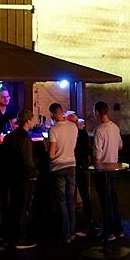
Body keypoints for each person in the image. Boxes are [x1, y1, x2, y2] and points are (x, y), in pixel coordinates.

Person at [2, 109, 38, 249]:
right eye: (32, 119)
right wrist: (35, 173)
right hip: (24, 178)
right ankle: (20, 238)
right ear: (28, 121)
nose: (33, 121)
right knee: (23, 208)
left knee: (14, 206)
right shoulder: (25, 138)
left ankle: (10, 236)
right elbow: (27, 162)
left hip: (11, 176)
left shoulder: (9, 136)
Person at [92, 101, 124, 240]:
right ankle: (119, 229)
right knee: (114, 199)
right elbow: (120, 146)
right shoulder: (115, 127)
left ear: (97, 113)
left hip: (103, 169)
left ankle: (108, 231)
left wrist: (95, 166)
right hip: (114, 167)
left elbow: (97, 154)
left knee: (105, 201)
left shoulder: (99, 130)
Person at [47, 102, 78, 242]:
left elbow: (51, 155)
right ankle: (72, 230)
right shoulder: (73, 127)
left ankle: (66, 234)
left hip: (58, 168)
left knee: (61, 202)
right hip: (71, 165)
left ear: (53, 114)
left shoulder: (53, 130)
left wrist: (46, 145)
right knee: (71, 199)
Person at [68, 111, 98, 237]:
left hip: (72, 166)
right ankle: (89, 218)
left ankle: (73, 221)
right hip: (80, 166)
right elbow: (86, 150)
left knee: (71, 193)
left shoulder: (71, 134)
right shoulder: (82, 134)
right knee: (84, 193)